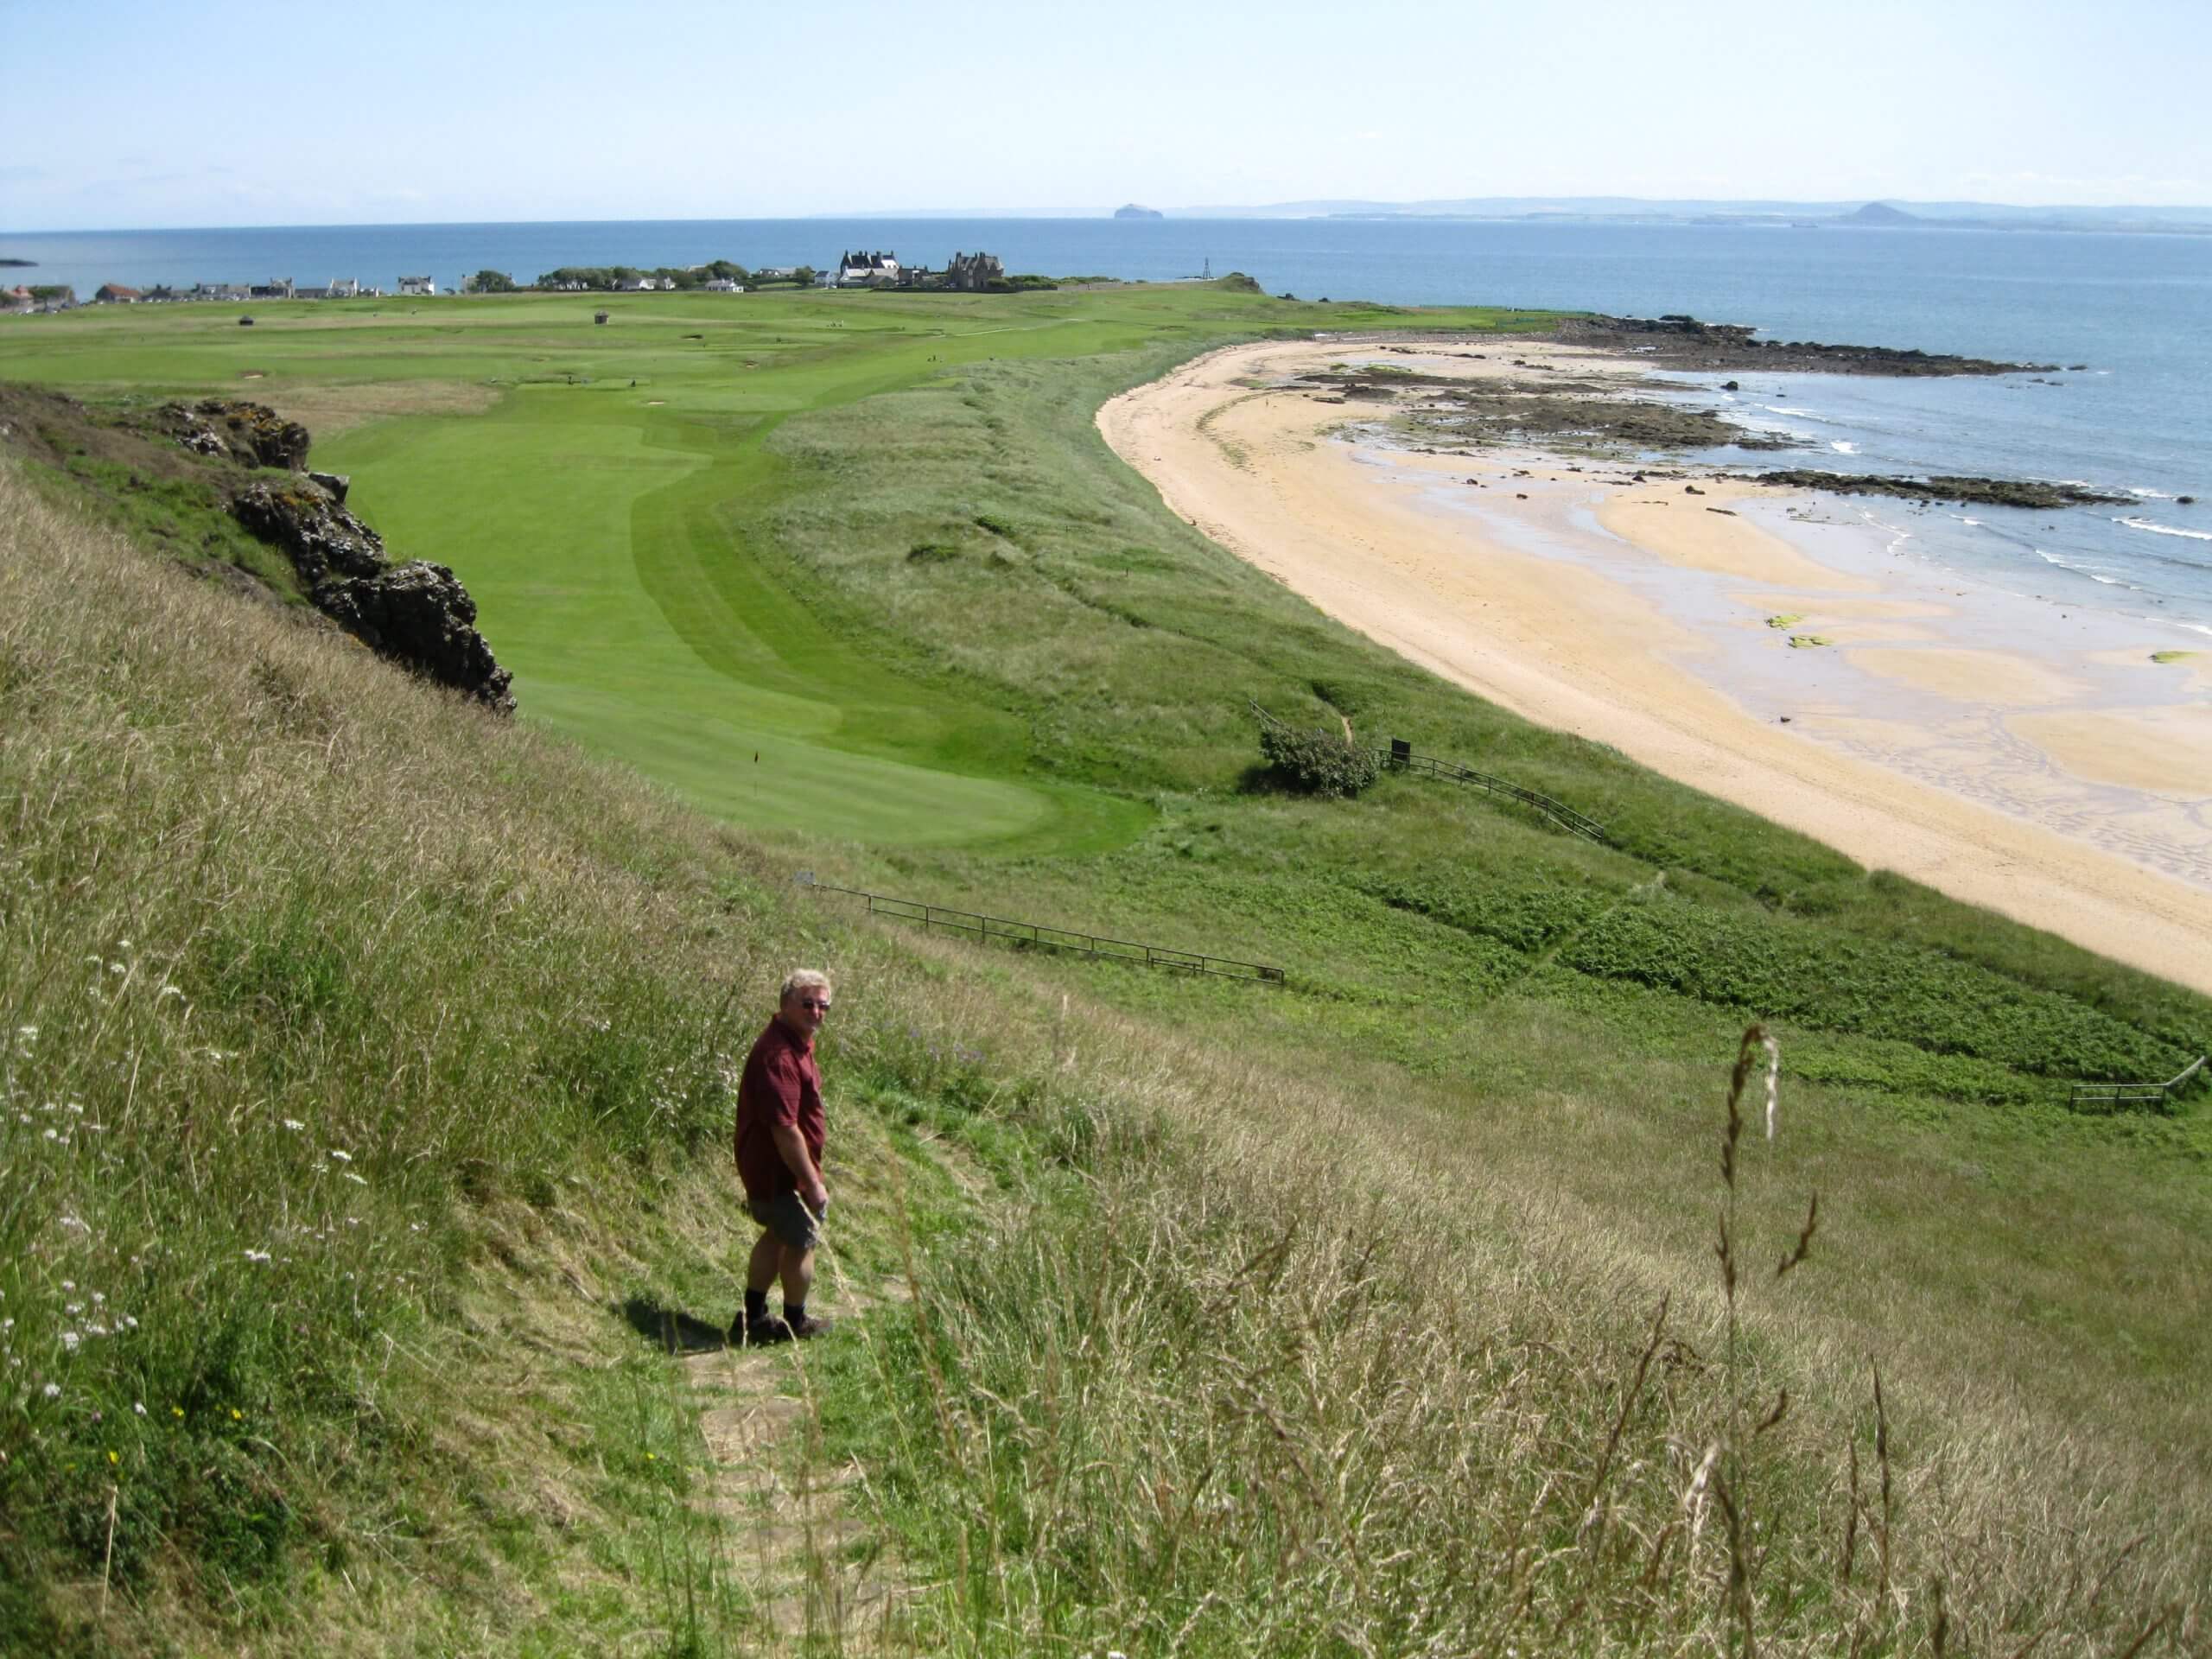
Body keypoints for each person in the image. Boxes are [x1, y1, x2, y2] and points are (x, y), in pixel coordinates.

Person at [731, 969, 836, 1344]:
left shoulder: (795, 1043)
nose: (817, 1012)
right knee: (800, 1243)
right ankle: (795, 1322)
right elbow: (784, 1128)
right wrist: (810, 1182)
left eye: (824, 1005)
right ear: (785, 1005)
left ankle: (753, 1317)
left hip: (773, 1167)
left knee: (775, 1236)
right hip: (781, 1171)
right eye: (807, 1004)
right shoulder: (779, 1055)